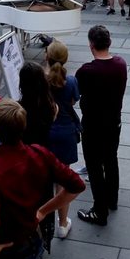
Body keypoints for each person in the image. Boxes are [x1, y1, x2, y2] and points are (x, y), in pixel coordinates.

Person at [0, 99, 85, 259]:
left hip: (8, 248)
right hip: (32, 237)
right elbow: (76, 185)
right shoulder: (39, 154)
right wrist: (43, 211)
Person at [75, 25, 127, 225]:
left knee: (95, 166)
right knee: (111, 159)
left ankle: (99, 211)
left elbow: (76, 94)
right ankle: (112, 199)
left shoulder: (86, 71)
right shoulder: (120, 64)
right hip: (114, 122)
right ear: (109, 43)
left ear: (91, 45)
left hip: (93, 125)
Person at [45, 40, 81, 239]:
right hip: (66, 132)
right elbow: (73, 101)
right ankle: (62, 223)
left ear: (46, 57)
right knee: (62, 179)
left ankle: (43, 219)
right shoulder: (72, 81)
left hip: (46, 132)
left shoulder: (41, 80)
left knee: (43, 176)